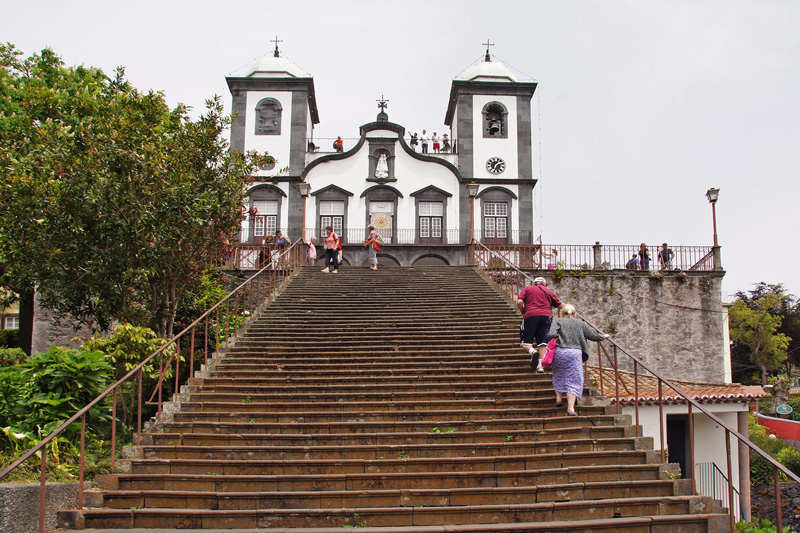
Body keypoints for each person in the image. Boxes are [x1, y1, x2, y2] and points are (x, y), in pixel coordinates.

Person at [547, 304, 610, 416]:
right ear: (574, 314)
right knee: (574, 379)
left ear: (563, 313)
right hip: (574, 353)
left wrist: (557, 340)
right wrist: (603, 336)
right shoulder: (580, 323)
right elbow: (593, 335)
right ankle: (570, 408)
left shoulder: (558, 321)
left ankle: (559, 399)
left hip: (560, 352)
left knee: (558, 374)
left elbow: (551, 334)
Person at [517, 277, 564, 373]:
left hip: (531, 315)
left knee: (526, 343)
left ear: (534, 283)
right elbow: (560, 305)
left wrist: (522, 310)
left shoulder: (528, 288)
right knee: (543, 342)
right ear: (545, 284)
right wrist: (572, 310)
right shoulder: (549, 291)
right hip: (546, 317)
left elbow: (519, 302)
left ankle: (533, 352)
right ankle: (540, 366)